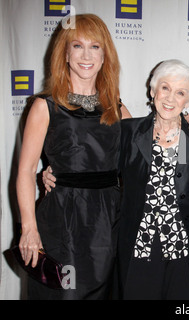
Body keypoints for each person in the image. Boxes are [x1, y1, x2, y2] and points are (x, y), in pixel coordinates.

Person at [16, 14, 130, 299]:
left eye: (95, 47)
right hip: (62, 220)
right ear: (65, 54)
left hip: (108, 223)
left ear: (105, 56)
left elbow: (148, 154)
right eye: (77, 46)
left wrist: (184, 122)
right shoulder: (45, 106)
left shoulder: (116, 107)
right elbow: (26, 171)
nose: (86, 55)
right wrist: (29, 228)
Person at [117, 59, 189, 299]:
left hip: (181, 249)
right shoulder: (129, 132)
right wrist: (57, 173)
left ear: (187, 101)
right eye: (165, 88)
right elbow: (101, 172)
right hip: (138, 246)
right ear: (153, 90)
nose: (170, 98)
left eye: (180, 93)